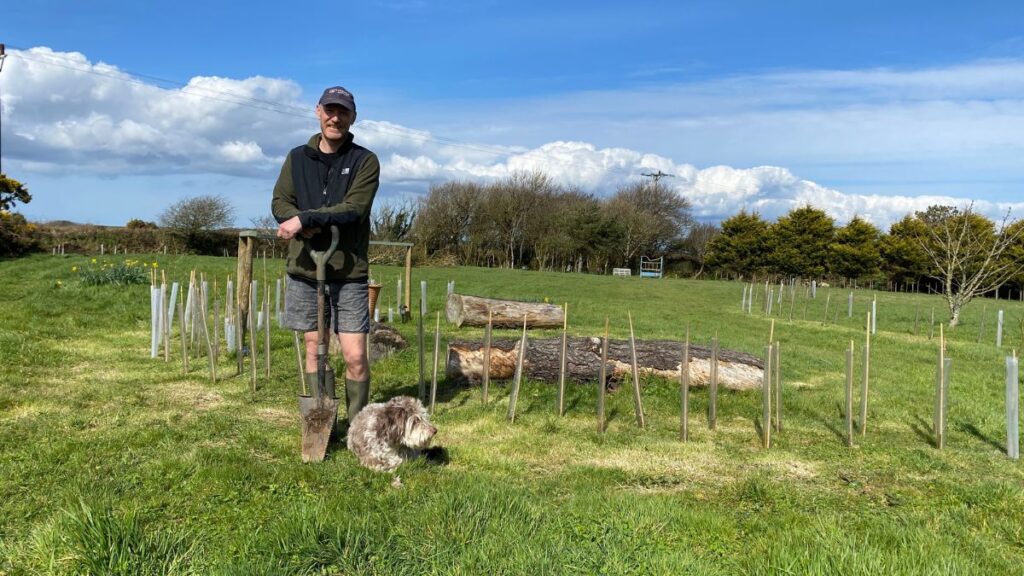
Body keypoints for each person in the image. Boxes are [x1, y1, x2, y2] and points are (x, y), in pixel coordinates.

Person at [271, 85, 380, 426]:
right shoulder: (297, 158)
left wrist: (306, 218)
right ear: (318, 111)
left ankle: (358, 428)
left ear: (352, 117)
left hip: (348, 272)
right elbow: (280, 202)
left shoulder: (365, 161)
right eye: (330, 110)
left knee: (355, 356)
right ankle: (321, 423)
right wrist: (297, 222)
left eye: (343, 112)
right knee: (314, 349)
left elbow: (354, 210)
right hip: (305, 267)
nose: (336, 117)